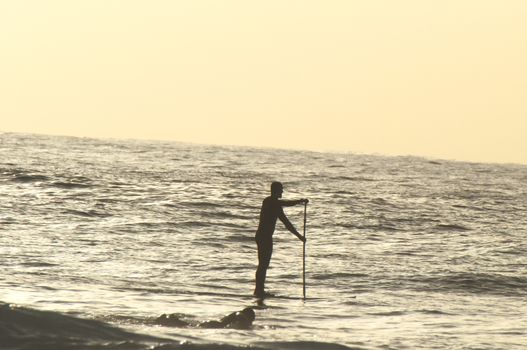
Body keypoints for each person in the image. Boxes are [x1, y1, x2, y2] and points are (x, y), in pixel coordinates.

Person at [254, 181, 308, 297]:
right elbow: (286, 203)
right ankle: (259, 291)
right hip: (263, 237)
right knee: (263, 264)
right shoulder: (269, 201)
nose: (282, 191)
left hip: (265, 237)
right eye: (281, 189)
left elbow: (287, 224)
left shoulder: (276, 206)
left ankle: (259, 290)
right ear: (276, 191)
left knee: (264, 264)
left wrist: (299, 237)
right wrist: (300, 201)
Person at [154, 307, 255, 330]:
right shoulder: (240, 314)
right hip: (214, 325)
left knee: (188, 326)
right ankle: (168, 319)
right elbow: (238, 315)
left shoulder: (238, 316)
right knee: (187, 326)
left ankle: (169, 319)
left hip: (214, 324)